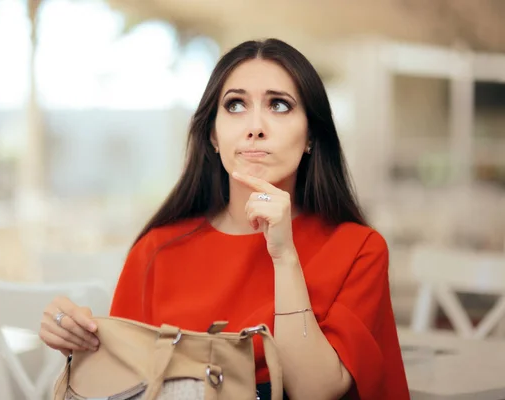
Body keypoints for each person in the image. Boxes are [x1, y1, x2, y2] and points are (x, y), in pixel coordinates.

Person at [39, 38, 410, 400]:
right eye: (235, 105)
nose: (256, 126)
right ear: (213, 136)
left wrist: (284, 257)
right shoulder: (156, 249)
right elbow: (124, 383)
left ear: (311, 135)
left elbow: (315, 392)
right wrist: (78, 339)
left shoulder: (358, 249)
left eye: (279, 105)